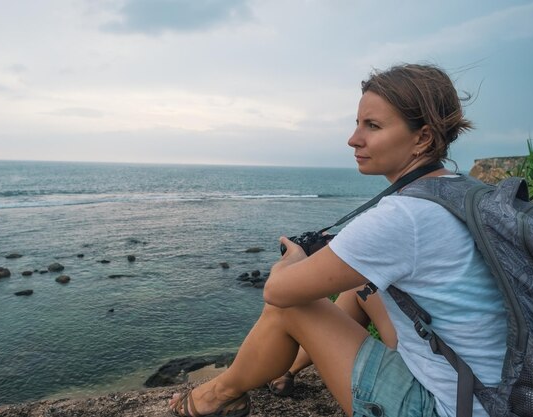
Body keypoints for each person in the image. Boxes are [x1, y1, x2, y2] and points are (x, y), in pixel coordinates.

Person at [168, 63, 507, 417]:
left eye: (372, 126)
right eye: (358, 123)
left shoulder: (403, 215)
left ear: (422, 138)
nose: (353, 138)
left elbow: (276, 292)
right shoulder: (464, 190)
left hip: (452, 407)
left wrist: (295, 262)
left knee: (291, 305)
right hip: (496, 391)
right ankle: (285, 370)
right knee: (363, 288)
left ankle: (218, 395)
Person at [266, 286, 397, 397]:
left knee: (286, 305)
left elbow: (274, 289)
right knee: (361, 289)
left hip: (411, 397)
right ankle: (289, 370)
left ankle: (245, 394)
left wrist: (291, 257)